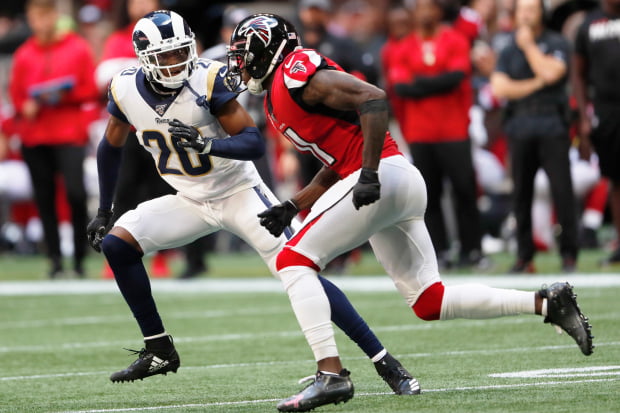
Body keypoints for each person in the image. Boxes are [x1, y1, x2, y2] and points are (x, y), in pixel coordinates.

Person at [226, 13, 594, 412]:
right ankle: (546, 303)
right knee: (429, 301)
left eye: (245, 54)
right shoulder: (281, 89)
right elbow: (340, 155)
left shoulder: (295, 71)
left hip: (382, 175)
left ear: (269, 49)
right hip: (393, 179)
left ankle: (331, 374)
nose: (241, 63)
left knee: (292, 261)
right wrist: (295, 203)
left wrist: (369, 173)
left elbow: (373, 98)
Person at [86, 10, 418, 397]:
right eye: (166, 56)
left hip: (240, 193)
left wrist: (208, 144)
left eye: (181, 52)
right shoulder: (125, 87)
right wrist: (105, 211)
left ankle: (383, 360)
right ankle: (159, 349)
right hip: (190, 199)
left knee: (300, 270)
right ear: (145, 59)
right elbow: (110, 146)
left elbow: (252, 141)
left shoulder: (208, 78)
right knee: (118, 245)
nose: (176, 62)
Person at [387, 0, 486, 270]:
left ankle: (472, 251)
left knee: (465, 190)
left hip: (454, 129)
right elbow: (401, 88)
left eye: (430, 7)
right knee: (428, 195)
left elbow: (457, 76)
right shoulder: (403, 46)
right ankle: (439, 252)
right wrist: (438, 81)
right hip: (420, 132)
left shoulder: (455, 39)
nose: (426, 13)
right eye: (421, 7)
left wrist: (419, 82)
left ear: (439, 12)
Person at [9, 0, 98, 277]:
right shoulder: (24, 54)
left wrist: (63, 95)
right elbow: (16, 94)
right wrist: (25, 105)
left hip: (69, 133)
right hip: (35, 136)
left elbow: (90, 88)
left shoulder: (77, 47)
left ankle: (80, 257)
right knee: (44, 198)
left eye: (44, 17)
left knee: (75, 193)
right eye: (34, 18)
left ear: (54, 17)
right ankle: (55, 260)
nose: (40, 23)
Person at [490, 0, 578, 273]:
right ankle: (524, 255)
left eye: (532, 9)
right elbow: (500, 88)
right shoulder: (507, 47)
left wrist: (529, 46)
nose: (526, 15)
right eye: (522, 10)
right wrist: (537, 81)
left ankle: (569, 253)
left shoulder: (556, 42)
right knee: (521, 193)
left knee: (562, 190)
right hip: (520, 124)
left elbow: (553, 73)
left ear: (542, 13)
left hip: (552, 122)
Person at [573, 0, 620, 265]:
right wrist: (584, 117)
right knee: (615, 178)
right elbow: (578, 74)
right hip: (607, 110)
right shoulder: (589, 24)